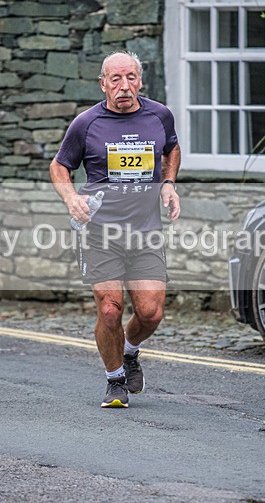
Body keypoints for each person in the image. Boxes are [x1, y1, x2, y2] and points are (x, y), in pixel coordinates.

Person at [49, 50, 181, 408]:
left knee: (151, 312)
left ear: (140, 80)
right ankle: (115, 380)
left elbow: (172, 148)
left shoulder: (159, 115)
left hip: (145, 231)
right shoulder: (86, 123)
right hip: (100, 231)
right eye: (116, 79)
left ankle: (129, 351)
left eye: (130, 78)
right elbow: (59, 167)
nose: (124, 86)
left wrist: (169, 184)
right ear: (103, 84)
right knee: (110, 309)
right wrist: (71, 198)